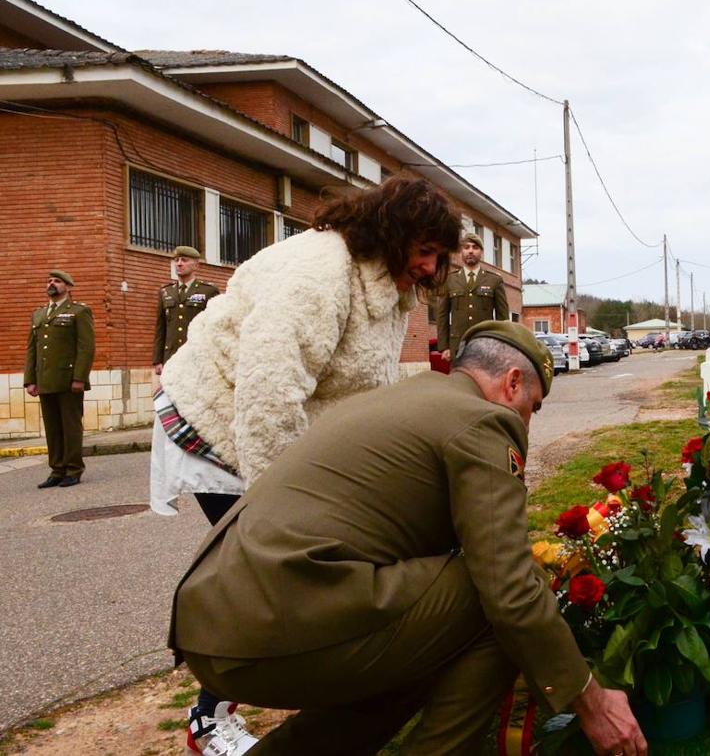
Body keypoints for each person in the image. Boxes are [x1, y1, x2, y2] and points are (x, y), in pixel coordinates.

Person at [169, 321, 647, 755]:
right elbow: (509, 587)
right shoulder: (483, 420)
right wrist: (590, 699)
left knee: (425, 640)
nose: (527, 423)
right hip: (280, 618)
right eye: (532, 408)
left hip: (213, 621)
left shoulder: (401, 398)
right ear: (513, 383)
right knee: (494, 603)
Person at [150, 176, 461, 755]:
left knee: (310, 564)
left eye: (438, 256)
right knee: (259, 579)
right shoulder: (317, 275)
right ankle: (206, 719)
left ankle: (331, 684)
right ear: (390, 235)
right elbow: (268, 396)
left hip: (274, 419)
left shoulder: (388, 289)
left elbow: (359, 386)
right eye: (424, 250)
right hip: (217, 422)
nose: (429, 266)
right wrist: (287, 513)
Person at [24, 269, 94, 490]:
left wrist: (79, 377)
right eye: (49, 281)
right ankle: (57, 469)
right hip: (45, 380)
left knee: (70, 426)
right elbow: (32, 349)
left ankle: (73, 469)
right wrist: (30, 380)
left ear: (68, 286)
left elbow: (86, 347)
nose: (51, 284)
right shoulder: (39, 314)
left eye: (57, 281)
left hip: (68, 379)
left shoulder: (79, 311)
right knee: (52, 427)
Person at [436, 232, 510, 362]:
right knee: (458, 381)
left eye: (475, 247)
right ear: (461, 252)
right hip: (457, 346)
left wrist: (501, 346)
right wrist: (444, 347)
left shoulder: (494, 280)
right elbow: (442, 315)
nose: (470, 251)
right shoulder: (450, 280)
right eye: (467, 247)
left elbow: (502, 318)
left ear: (481, 252)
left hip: (486, 345)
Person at [153, 245, 219, 376]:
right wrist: (157, 360)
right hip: (171, 357)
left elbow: (215, 327)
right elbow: (161, 328)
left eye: (184, 260)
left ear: (196, 265)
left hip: (197, 356)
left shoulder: (208, 291)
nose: (179, 264)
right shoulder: (166, 291)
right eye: (176, 260)